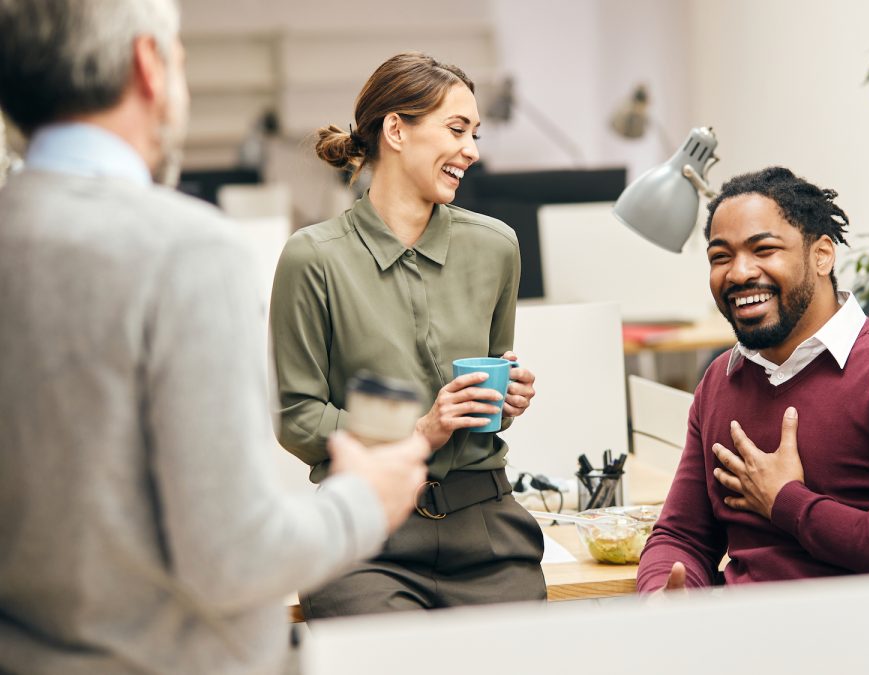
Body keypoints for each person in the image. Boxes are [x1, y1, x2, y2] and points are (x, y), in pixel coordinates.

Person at [0, 1, 431, 673]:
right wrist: (363, 500)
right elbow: (232, 555)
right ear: (149, 64)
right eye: (182, 60)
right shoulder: (189, 252)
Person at [269, 51, 545, 617]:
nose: (471, 149)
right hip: (366, 537)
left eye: (475, 133)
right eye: (456, 128)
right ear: (396, 129)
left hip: (488, 526)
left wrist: (506, 398)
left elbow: (489, 386)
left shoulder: (496, 246)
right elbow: (297, 417)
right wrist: (421, 431)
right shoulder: (314, 258)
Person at [636, 167, 869, 594]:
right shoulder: (722, 380)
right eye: (720, 257)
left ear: (822, 255)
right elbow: (682, 536)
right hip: (741, 643)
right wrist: (662, 595)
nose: (739, 273)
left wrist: (788, 503)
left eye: (764, 249)